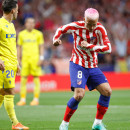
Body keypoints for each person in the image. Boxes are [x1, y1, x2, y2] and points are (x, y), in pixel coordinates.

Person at [53, 8, 112, 130]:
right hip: (77, 64)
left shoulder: (100, 29)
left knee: (107, 91)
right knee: (79, 94)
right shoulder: (76, 26)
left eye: (94, 24)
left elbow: (108, 48)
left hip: (92, 65)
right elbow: (60, 29)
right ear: (84, 19)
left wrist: (90, 46)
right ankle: (64, 124)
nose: (91, 27)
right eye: (89, 24)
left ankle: (97, 124)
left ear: (97, 21)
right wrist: (55, 40)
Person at [0, 0, 29, 129]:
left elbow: (11, 46)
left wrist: (17, 62)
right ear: (12, 10)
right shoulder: (0, 24)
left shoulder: (11, 25)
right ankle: (15, 123)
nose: (18, 11)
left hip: (11, 64)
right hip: (3, 64)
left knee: (2, 92)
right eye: (17, 9)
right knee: (9, 91)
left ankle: (15, 123)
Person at [16, 17, 44, 106]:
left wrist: (41, 58)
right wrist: (18, 59)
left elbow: (41, 46)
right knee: (23, 80)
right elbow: (19, 47)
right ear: (25, 24)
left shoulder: (38, 34)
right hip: (25, 60)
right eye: (29, 23)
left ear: (34, 24)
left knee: (36, 79)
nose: (31, 24)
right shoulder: (21, 34)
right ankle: (22, 99)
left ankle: (36, 99)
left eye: (32, 23)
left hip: (35, 60)